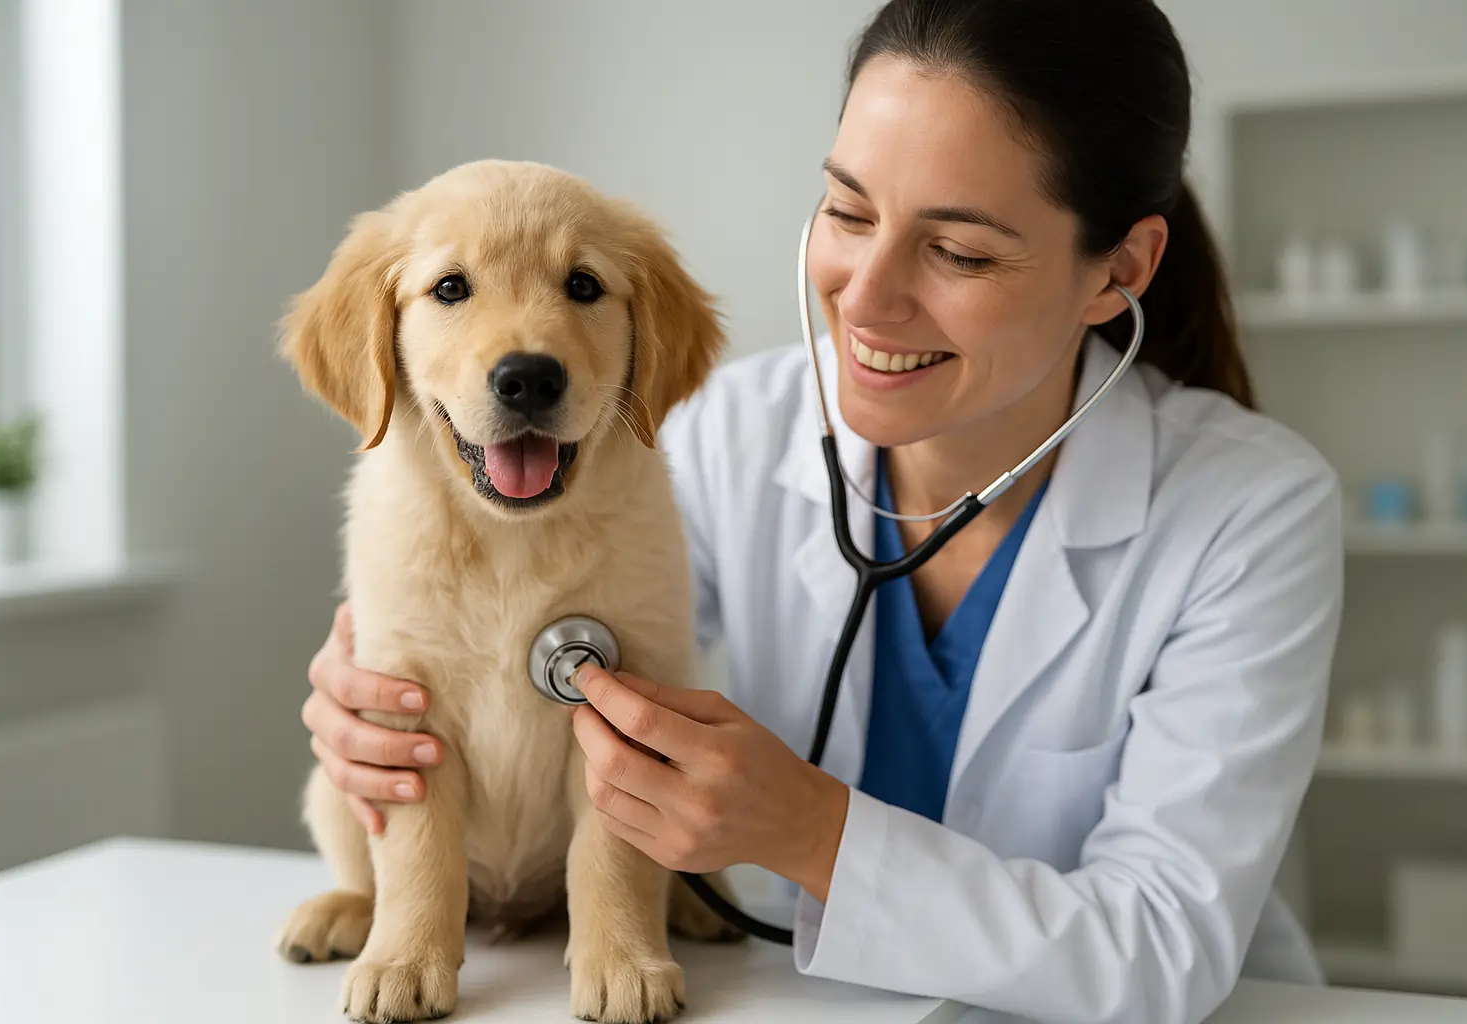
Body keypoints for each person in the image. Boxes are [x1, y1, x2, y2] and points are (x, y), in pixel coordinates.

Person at [297, 0, 1344, 1020]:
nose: (867, 295)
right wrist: (367, 712)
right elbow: (554, 656)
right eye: (848, 211)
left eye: (962, 251)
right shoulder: (726, 431)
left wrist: (813, 834)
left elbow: (1160, 946)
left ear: (1119, 270)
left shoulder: (1249, 511)